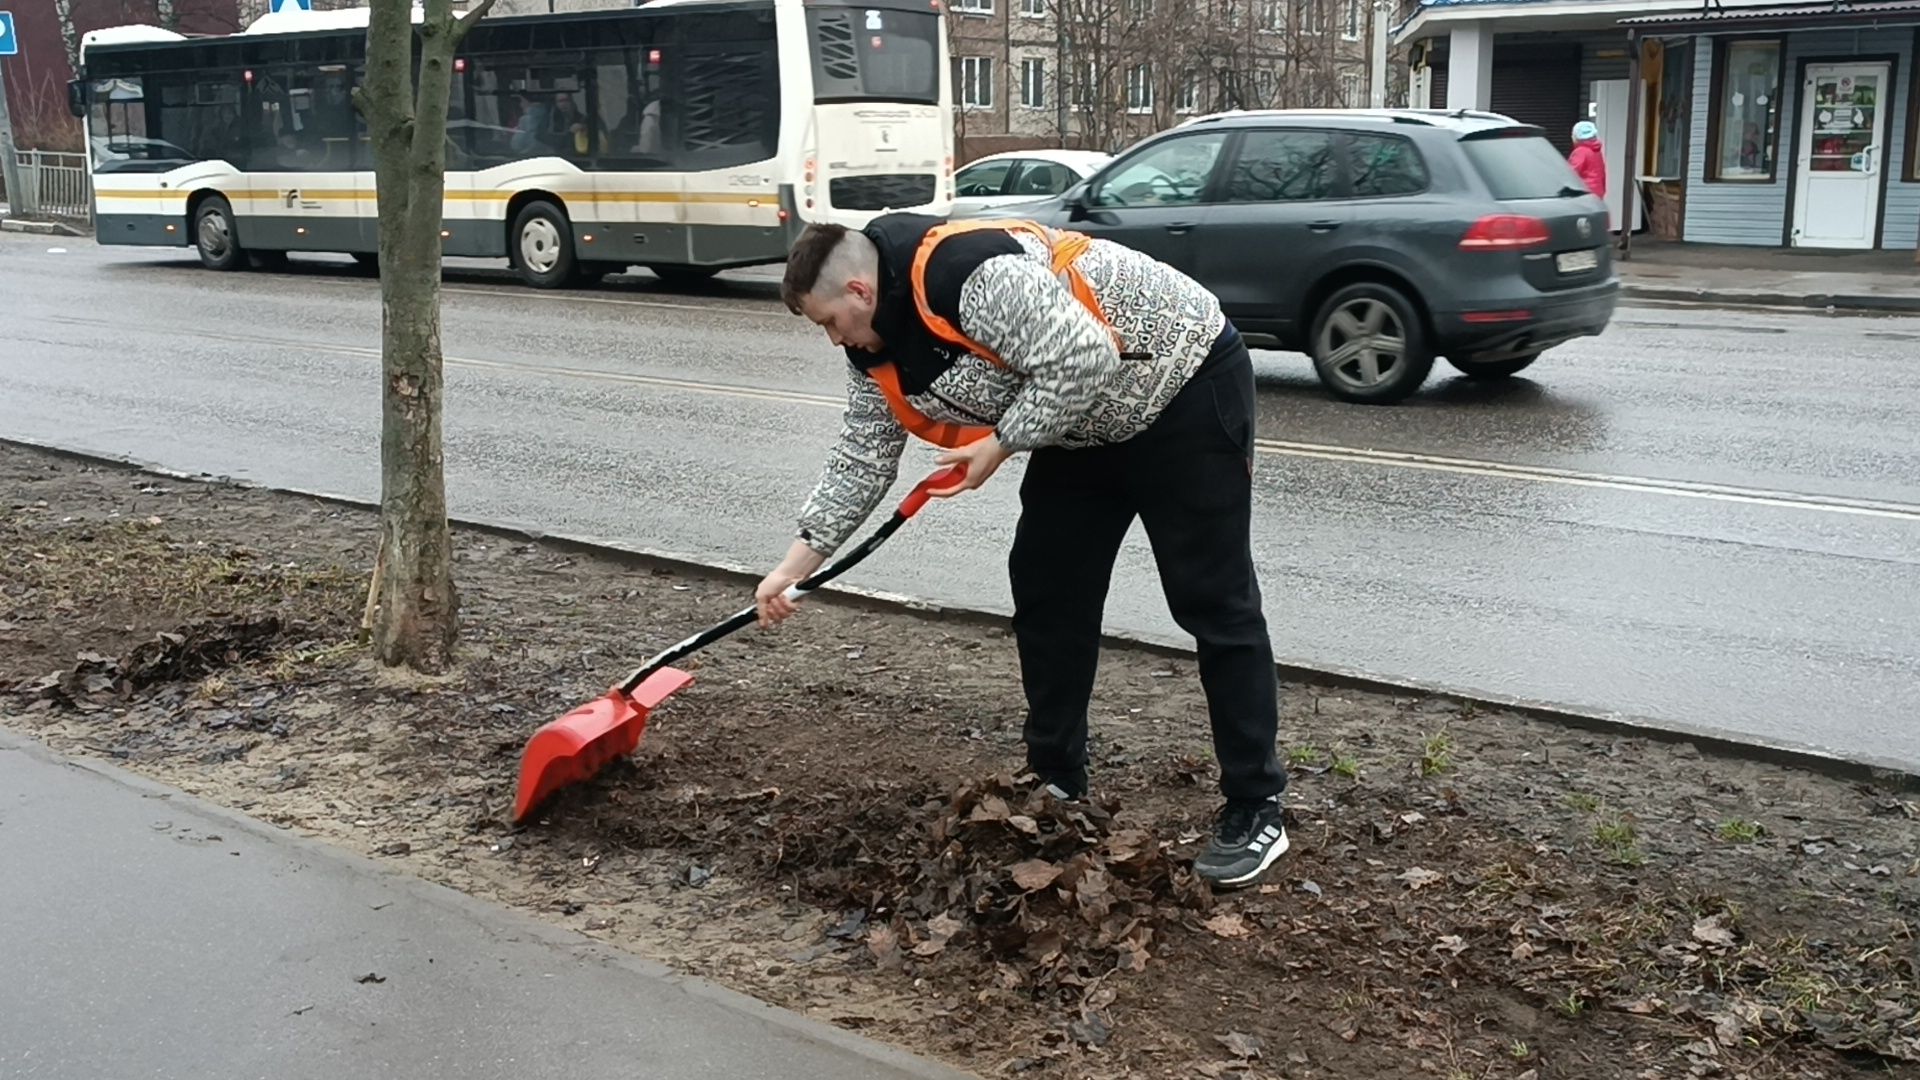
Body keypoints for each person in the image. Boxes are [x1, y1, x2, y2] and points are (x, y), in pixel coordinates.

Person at [756, 213, 1290, 890]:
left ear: (860, 291)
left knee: (1211, 599)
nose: (834, 338)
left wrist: (1003, 440)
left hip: (1182, 388)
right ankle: (1059, 780)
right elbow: (862, 457)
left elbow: (1086, 354)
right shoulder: (872, 347)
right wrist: (794, 565)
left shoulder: (969, 276)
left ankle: (1255, 807)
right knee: (1047, 589)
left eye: (831, 321)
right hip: (1078, 424)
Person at [1570, 120, 1608, 201]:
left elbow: (1571, 174)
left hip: (1584, 195)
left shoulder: (1580, 152)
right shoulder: (1596, 151)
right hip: (1597, 193)